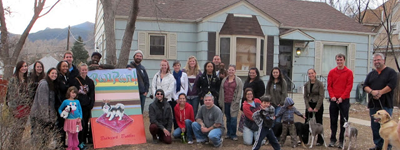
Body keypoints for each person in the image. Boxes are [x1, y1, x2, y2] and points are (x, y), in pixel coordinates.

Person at [364, 53, 397, 150]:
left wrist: (380, 92)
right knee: (375, 127)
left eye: (378, 60)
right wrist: (371, 91)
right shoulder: (371, 74)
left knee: (387, 127)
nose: (376, 62)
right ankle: (378, 145)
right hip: (373, 105)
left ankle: (388, 147)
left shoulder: (391, 72)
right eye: (375, 60)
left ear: (383, 60)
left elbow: (391, 85)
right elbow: (365, 86)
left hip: (386, 104)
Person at [327, 53, 353, 148]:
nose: (339, 61)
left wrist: (342, 97)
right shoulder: (332, 72)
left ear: (344, 60)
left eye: (341, 60)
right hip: (334, 100)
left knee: (343, 121)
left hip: (344, 100)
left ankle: (342, 140)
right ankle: (333, 139)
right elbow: (329, 86)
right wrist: (332, 96)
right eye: (338, 60)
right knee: (333, 120)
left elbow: (349, 86)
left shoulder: (349, 72)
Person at [30, 68, 59, 148]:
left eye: (56, 74)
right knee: (39, 136)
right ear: (48, 74)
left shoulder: (52, 84)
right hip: (39, 115)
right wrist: (46, 117)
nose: (54, 75)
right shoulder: (44, 84)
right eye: (52, 73)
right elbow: (43, 102)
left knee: (46, 137)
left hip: (47, 115)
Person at [6, 61, 31, 147]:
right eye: (23, 66)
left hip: (25, 106)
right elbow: (11, 95)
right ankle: (11, 145)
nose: (24, 68)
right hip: (17, 107)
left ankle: (17, 144)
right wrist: (13, 109)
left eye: (26, 66)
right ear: (18, 67)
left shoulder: (26, 79)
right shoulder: (14, 80)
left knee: (22, 127)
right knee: (15, 127)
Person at [70, 63, 95, 149]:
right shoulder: (75, 81)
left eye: (85, 70)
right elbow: (72, 93)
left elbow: (92, 94)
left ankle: (83, 141)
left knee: (85, 125)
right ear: (80, 70)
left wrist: (91, 104)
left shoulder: (90, 81)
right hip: (78, 106)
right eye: (82, 70)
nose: (84, 71)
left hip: (86, 106)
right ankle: (78, 142)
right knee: (79, 125)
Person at [218, 65, 243, 141]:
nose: (231, 71)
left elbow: (239, 92)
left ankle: (233, 134)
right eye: (229, 70)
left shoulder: (238, 80)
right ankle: (228, 133)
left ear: (235, 71)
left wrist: (237, 101)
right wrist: (220, 100)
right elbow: (221, 91)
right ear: (227, 71)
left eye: (232, 70)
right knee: (227, 118)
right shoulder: (224, 80)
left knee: (233, 119)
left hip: (234, 102)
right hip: (225, 102)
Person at [151, 59, 177, 128]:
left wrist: (162, 95)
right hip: (157, 101)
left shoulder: (171, 77)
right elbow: (153, 86)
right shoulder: (156, 76)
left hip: (167, 99)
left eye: (165, 65)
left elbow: (171, 89)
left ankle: (166, 130)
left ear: (167, 66)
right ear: (160, 65)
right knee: (157, 116)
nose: (163, 67)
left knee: (166, 116)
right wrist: (156, 95)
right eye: (162, 65)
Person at [303, 68, 325, 146]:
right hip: (310, 103)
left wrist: (317, 107)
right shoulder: (306, 84)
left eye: (312, 73)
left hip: (318, 104)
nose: (311, 75)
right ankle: (305, 139)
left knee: (318, 122)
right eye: (309, 73)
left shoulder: (319, 84)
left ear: (315, 73)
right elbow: (305, 96)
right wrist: (308, 106)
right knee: (307, 122)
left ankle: (320, 140)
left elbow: (321, 96)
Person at [55, 60, 70, 147]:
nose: (65, 68)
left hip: (66, 104)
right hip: (60, 104)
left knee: (64, 124)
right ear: (60, 67)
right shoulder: (58, 77)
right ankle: (60, 143)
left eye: (66, 66)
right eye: (63, 66)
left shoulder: (66, 77)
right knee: (60, 125)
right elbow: (61, 89)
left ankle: (63, 142)